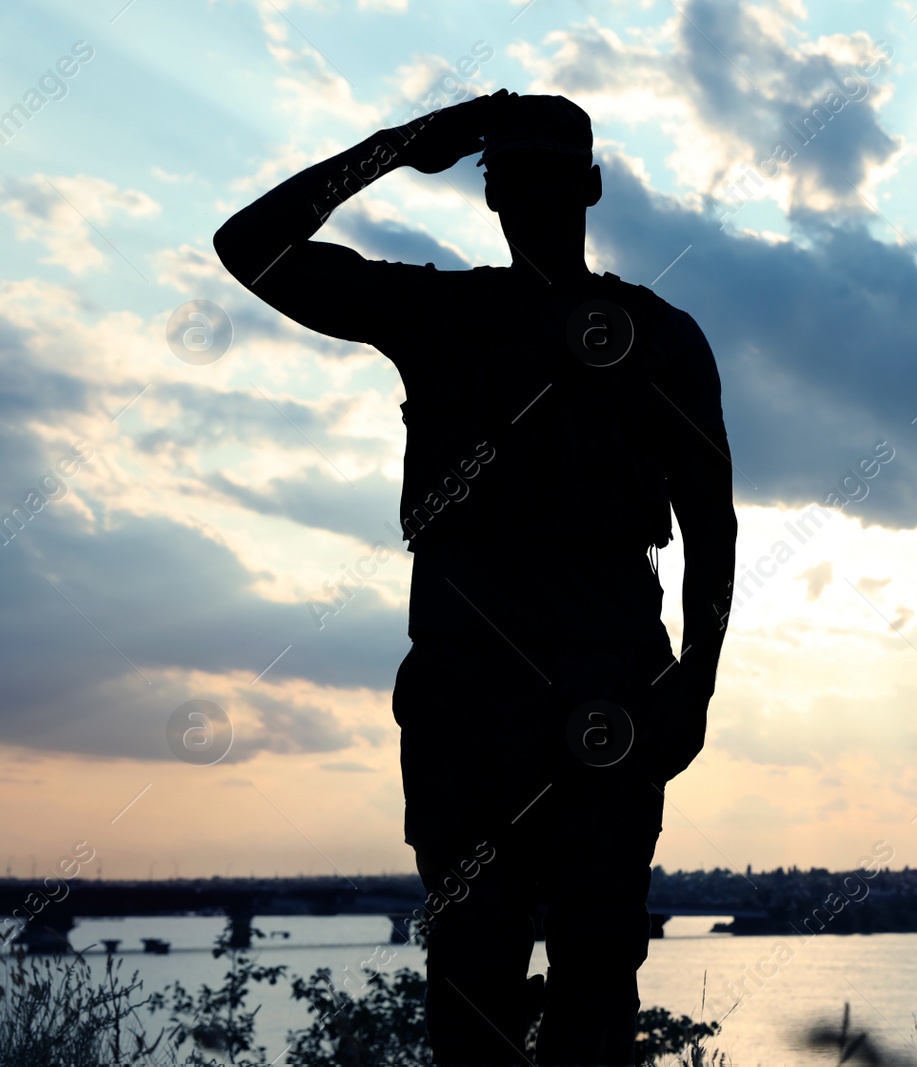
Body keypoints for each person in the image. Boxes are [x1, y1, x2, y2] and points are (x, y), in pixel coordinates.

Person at [214, 90, 737, 1065]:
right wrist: (393, 146)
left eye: (547, 177)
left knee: (594, 988)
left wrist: (695, 685)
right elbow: (250, 245)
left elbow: (713, 523)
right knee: (471, 986)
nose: (532, 196)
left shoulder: (658, 339)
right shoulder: (441, 314)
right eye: (513, 177)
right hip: (470, 714)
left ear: (587, 186)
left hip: (605, 704)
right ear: (490, 194)